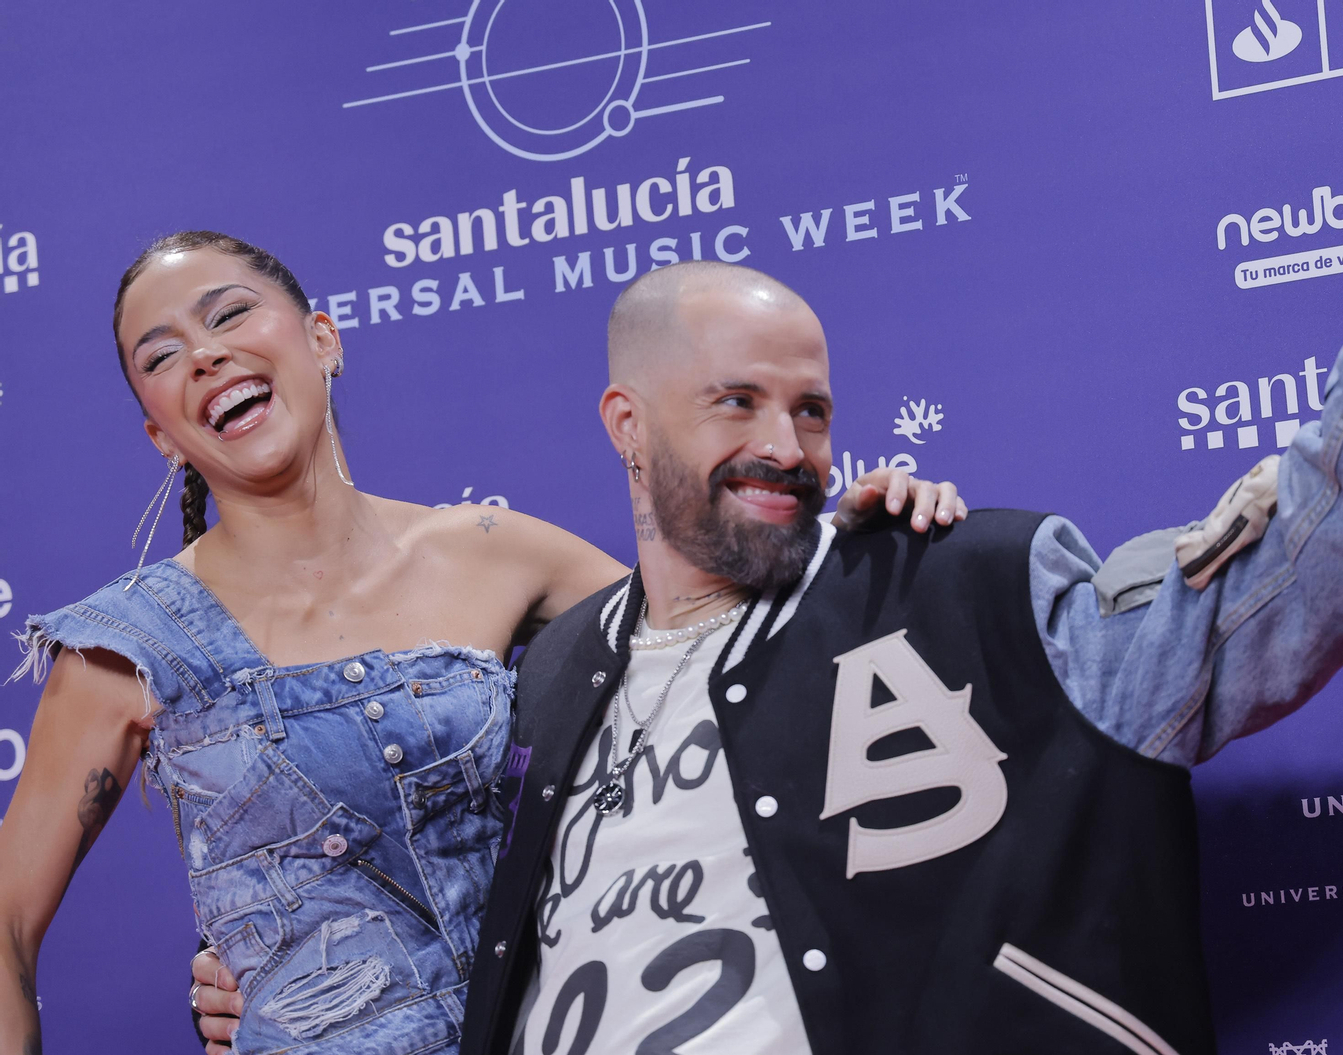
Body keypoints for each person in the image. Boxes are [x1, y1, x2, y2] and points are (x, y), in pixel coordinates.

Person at [193, 146, 1343, 1052]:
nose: (788, 440)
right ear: (625, 420)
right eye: (736, 400)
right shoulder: (547, 682)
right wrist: (290, 982)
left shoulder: (954, 584)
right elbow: (462, 928)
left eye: (813, 406)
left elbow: (1270, 591)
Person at [0, 232, 961, 1055]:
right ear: (160, 433)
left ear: (323, 340)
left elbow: (722, 640)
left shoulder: (501, 556)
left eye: (230, 315)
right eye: (161, 355)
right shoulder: (123, 648)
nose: (204, 356)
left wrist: (859, 543)